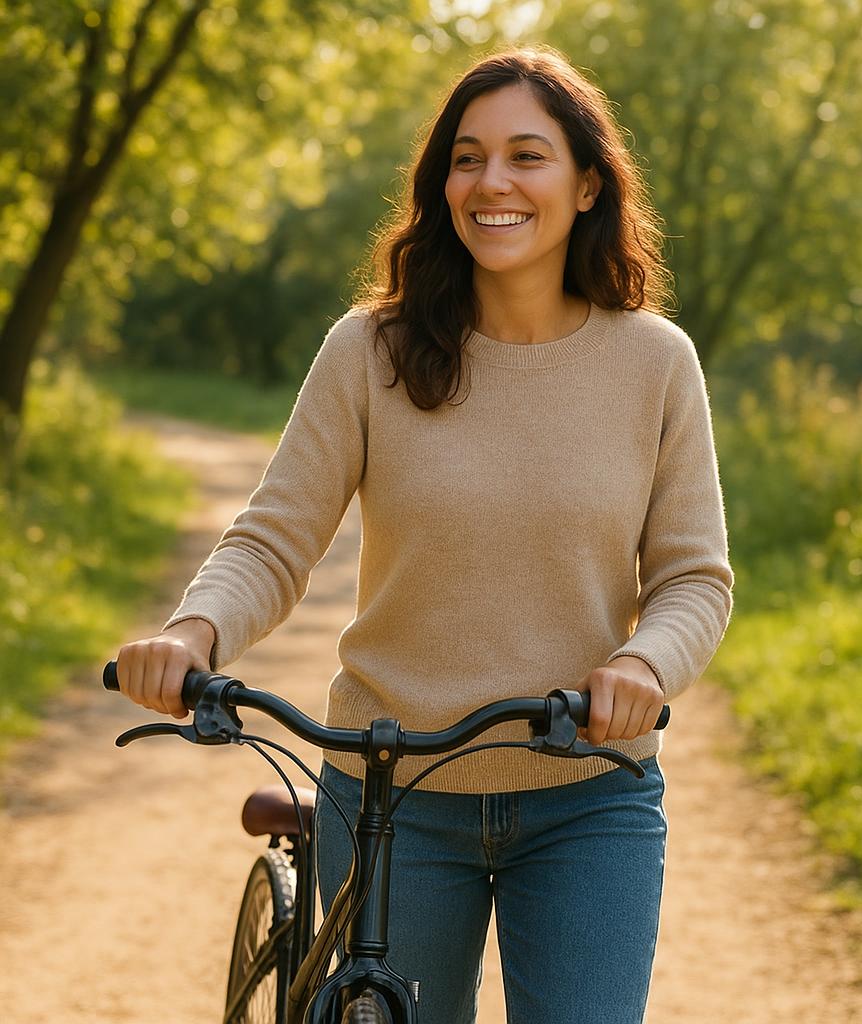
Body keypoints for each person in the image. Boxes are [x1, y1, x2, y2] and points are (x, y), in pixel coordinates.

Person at [115, 44, 733, 1024]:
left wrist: (645, 667)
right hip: (386, 795)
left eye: (527, 155)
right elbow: (275, 537)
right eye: (467, 156)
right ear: (440, 181)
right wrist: (193, 635)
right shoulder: (372, 350)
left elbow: (694, 577)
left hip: (587, 793)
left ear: (585, 186)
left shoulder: (653, 362)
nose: (492, 181)